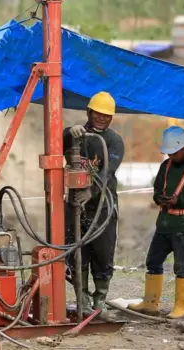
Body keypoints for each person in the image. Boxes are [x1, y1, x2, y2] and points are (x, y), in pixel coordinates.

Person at [128, 126, 184, 319]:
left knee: (182, 265)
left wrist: (180, 201)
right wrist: (160, 199)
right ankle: (150, 303)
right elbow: (157, 190)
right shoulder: (165, 166)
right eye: (169, 153)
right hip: (164, 222)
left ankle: (181, 306)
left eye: (174, 153)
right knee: (153, 261)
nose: (171, 156)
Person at [63, 91, 125, 320]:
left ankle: (100, 300)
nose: (101, 119)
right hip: (76, 207)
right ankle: (82, 299)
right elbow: (57, 142)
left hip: (103, 207)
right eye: (97, 114)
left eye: (106, 116)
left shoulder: (114, 141)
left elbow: (107, 171)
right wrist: (69, 132)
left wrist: (91, 191)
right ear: (88, 112)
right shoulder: (78, 135)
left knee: (103, 252)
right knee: (77, 253)